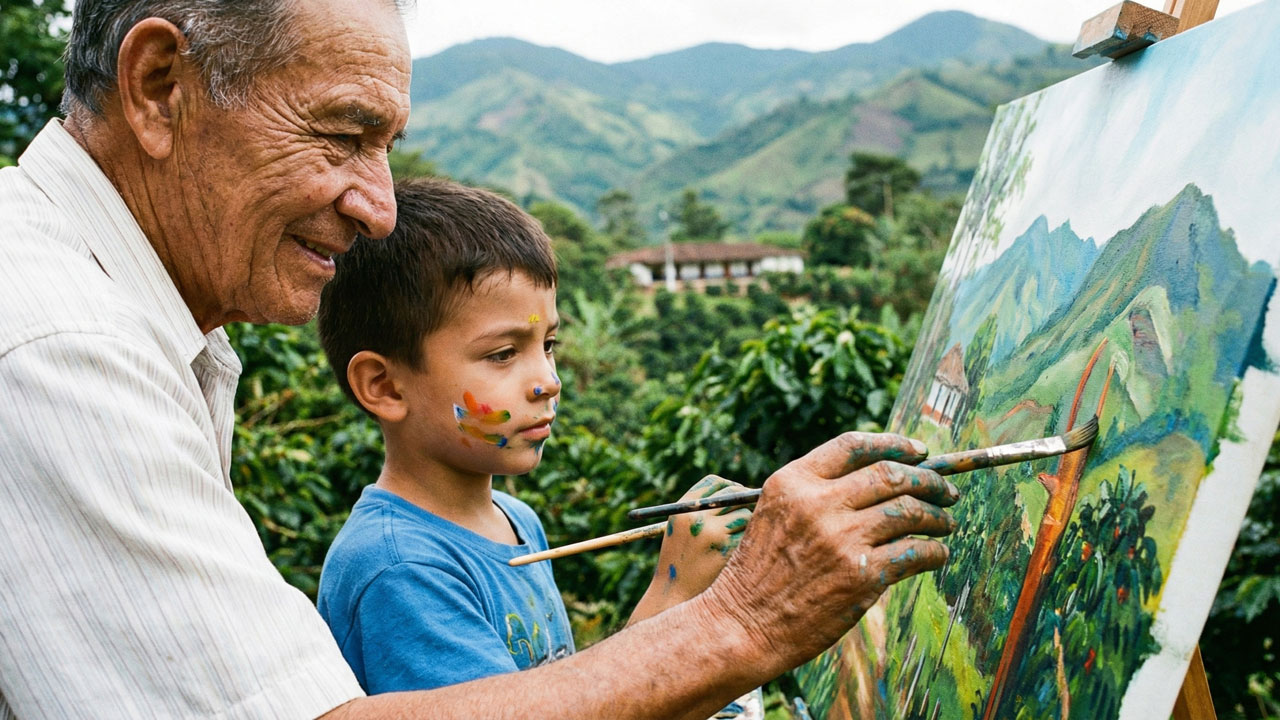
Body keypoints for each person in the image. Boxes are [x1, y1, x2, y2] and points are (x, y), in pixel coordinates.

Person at [0, 0, 961, 716]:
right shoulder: (57, 346)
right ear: (161, 86)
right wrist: (746, 619)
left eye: (388, 146)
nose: (378, 204)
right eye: (342, 135)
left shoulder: (127, 314)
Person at [313, 177, 752, 693]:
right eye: (503, 354)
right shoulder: (399, 569)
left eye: (549, 344)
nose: (549, 380)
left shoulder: (516, 519)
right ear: (385, 386)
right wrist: (672, 598)